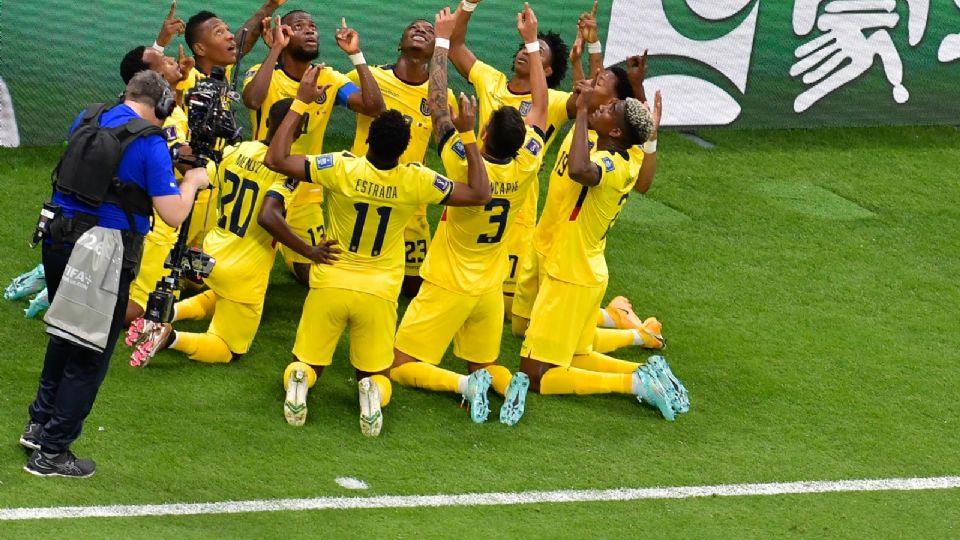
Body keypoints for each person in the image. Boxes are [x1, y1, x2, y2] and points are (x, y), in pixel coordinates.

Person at [263, 63, 491, 437]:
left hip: (331, 278)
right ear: (405, 150)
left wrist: (301, 103)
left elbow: (276, 158)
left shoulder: (340, 167)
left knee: (306, 361)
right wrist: (466, 133)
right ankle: (369, 393)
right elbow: (480, 193)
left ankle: (300, 380)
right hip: (380, 289)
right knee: (376, 375)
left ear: (367, 142)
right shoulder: (416, 180)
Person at [19, 71, 209, 477]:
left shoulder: (88, 117)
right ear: (160, 105)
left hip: (56, 235)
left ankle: (39, 426)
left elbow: (106, 173)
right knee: (90, 351)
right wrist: (191, 182)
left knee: (64, 333)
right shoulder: (150, 143)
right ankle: (52, 453)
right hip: (102, 251)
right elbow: (173, 214)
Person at [389, 4, 547, 425]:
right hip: (490, 287)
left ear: (486, 133)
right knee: (484, 360)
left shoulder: (461, 159)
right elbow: (542, 108)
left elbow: (437, 105)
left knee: (398, 365)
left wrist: (441, 41)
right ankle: (501, 382)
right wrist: (532, 43)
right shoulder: (527, 161)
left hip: (448, 283)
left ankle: (464, 387)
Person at [517, 79, 686, 423]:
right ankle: (643, 369)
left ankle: (635, 383)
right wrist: (649, 131)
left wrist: (580, 114)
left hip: (571, 272)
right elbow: (638, 153)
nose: (602, 107)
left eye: (610, 111)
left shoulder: (610, 166)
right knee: (577, 355)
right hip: (588, 269)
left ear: (617, 133)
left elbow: (581, 170)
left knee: (536, 372)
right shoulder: (630, 158)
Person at [128, 99, 339, 366]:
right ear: (299, 129)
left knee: (219, 296)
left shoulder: (238, 149)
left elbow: (200, 178)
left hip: (213, 254)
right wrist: (309, 251)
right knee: (228, 347)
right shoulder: (287, 170)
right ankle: (170, 338)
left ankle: (161, 316)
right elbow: (268, 217)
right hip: (244, 270)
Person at [447, 0, 575, 315]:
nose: (524, 51)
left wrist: (590, 53)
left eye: (537, 52)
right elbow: (454, 45)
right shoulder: (489, 79)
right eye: (527, 47)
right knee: (459, 285)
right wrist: (468, 5)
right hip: (472, 185)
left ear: (546, 70)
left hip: (515, 206)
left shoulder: (554, 102)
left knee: (505, 308)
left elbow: (589, 104)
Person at [243, 12, 385, 286]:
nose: (310, 32)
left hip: (305, 190)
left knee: (318, 278)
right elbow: (252, 100)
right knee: (235, 277)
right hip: (261, 183)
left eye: (313, 27)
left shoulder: (328, 78)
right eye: (299, 27)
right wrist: (275, 50)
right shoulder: (264, 72)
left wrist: (356, 56)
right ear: (283, 33)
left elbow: (374, 107)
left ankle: (288, 250)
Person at [345, 18, 457, 298]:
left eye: (429, 30)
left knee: (413, 288)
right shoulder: (369, 77)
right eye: (414, 28)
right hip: (360, 190)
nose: (421, 30)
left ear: (435, 50)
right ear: (399, 43)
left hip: (409, 201)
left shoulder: (443, 97)